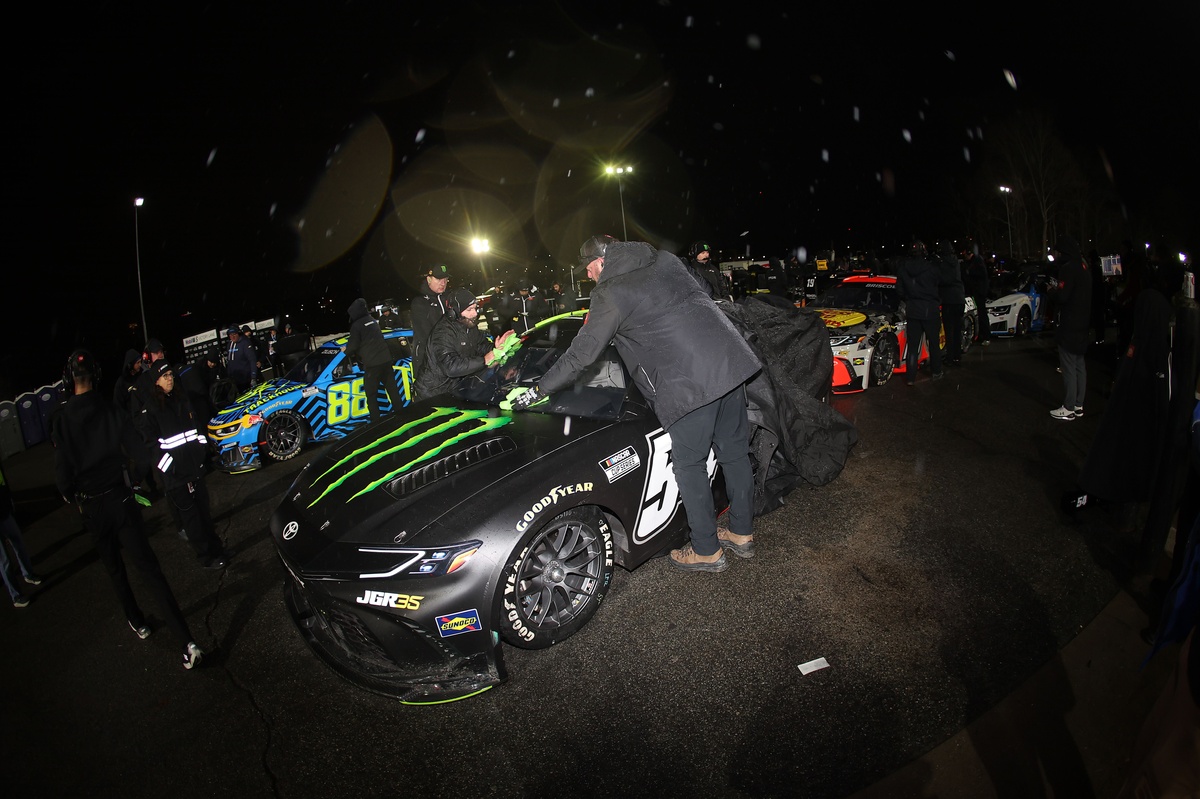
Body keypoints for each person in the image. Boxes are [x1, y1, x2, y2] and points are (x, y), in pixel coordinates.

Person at [507, 235, 762, 573]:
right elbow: (702, 295)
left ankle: (706, 550)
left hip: (690, 385)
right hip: (730, 365)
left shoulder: (610, 292)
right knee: (734, 453)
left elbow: (581, 356)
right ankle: (742, 532)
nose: (588, 275)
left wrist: (537, 390)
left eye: (588, 268)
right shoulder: (666, 260)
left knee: (690, 466)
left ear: (601, 261)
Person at [50, 349, 204, 669]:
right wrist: (131, 481)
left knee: (115, 569)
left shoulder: (62, 421)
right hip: (121, 499)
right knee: (150, 570)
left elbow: (62, 476)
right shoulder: (110, 409)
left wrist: (73, 496)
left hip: (92, 507)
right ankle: (186, 641)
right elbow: (141, 454)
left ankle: (137, 620)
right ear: (96, 376)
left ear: (68, 379)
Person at [137, 361, 229, 569]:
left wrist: (202, 451)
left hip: (194, 468)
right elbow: (152, 447)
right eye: (165, 376)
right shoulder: (150, 410)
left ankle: (218, 550)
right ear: (156, 381)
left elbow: (196, 428)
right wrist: (171, 468)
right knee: (192, 519)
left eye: (171, 375)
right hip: (176, 477)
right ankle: (206, 557)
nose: (170, 379)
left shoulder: (181, 399)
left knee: (205, 514)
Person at [414, 288, 514, 401]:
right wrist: (484, 360)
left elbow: (481, 345)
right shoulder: (443, 333)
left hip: (454, 388)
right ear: (454, 313)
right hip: (432, 394)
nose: (474, 313)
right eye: (469, 309)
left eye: (475, 308)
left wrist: (496, 347)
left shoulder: (469, 325)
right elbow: (451, 367)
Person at [1049, 235, 1092, 420]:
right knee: (1079, 365)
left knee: (1068, 366)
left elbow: (1063, 296)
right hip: (1083, 322)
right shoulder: (1084, 266)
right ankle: (1078, 405)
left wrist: (1052, 292)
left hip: (1070, 323)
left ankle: (1068, 407)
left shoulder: (1068, 268)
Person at [343, 297, 405, 424]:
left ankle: (376, 423)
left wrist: (345, 350)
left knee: (371, 395)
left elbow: (353, 346)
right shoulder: (372, 321)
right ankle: (401, 416)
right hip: (386, 361)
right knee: (393, 390)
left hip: (372, 365)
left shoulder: (357, 326)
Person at [895, 240, 944, 384]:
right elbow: (941, 284)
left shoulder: (903, 268)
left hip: (913, 310)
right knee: (934, 343)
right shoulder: (932, 267)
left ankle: (910, 377)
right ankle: (936, 372)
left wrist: (910, 298)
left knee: (912, 346)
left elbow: (899, 290)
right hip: (930, 309)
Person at [0, 461, 42, 608]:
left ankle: (28, 574)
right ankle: (16, 596)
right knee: (4, 560)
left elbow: (3, 480)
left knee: (19, 543)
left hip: (4, 510)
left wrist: (9, 498)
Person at [411, 264, 452, 378]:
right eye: (439, 279)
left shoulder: (449, 298)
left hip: (447, 359)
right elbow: (428, 334)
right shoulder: (420, 302)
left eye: (445, 279)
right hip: (427, 363)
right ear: (429, 279)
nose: (443, 283)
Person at [936, 240, 966, 366]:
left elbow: (942, 280)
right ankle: (957, 356)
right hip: (959, 298)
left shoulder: (942, 264)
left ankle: (949, 357)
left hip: (948, 300)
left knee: (949, 330)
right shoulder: (956, 262)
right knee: (957, 329)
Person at [962, 246, 991, 347]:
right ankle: (980, 335)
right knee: (978, 314)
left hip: (979, 292)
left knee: (982, 314)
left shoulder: (977, 262)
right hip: (975, 292)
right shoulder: (973, 262)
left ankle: (986, 336)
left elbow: (981, 276)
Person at [225, 326, 257, 394]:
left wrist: (253, 377)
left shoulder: (245, 343)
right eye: (230, 335)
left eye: (234, 334)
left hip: (246, 379)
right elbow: (230, 362)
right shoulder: (229, 345)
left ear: (238, 334)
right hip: (235, 380)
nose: (232, 337)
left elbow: (252, 360)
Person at [112, 348, 144, 416]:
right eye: (137, 363)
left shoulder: (142, 376)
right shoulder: (122, 382)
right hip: (129, 418)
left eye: (140, 362)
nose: (140, 365)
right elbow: (118, 404)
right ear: (130, 365)